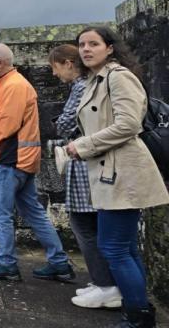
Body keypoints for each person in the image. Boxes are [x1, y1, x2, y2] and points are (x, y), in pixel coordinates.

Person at [67, 26, 168, 327]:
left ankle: (138, 316)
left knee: (113, 248)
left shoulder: (118, 77)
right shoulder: (95, 80)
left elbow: (128, 125)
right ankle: (138, 309)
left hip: (122, 171)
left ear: (109, 48)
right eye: (82, 44)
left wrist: (82, 145)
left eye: (93, 44)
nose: (86, 49)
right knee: (124, 247)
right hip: (110, 169)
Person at [0, 43, 74, 282]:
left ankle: (6, 264)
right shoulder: (10, 83)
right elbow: (1, 120)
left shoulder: (14, 85)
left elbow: (8, 123)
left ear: (0, 63)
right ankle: (59, 263)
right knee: (34, 213)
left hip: (11, 159)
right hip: (23, 159)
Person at [48, 44, 120, 309]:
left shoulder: (81, 86)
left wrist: (61, 123)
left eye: (55, 68)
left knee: (84, 225)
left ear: (68, 63)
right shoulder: (94, 82)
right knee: (96, 226)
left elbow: (67, 124)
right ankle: (104, 283)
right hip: (95, 162)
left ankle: (106, 286)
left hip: (84, 162)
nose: (54, 74)